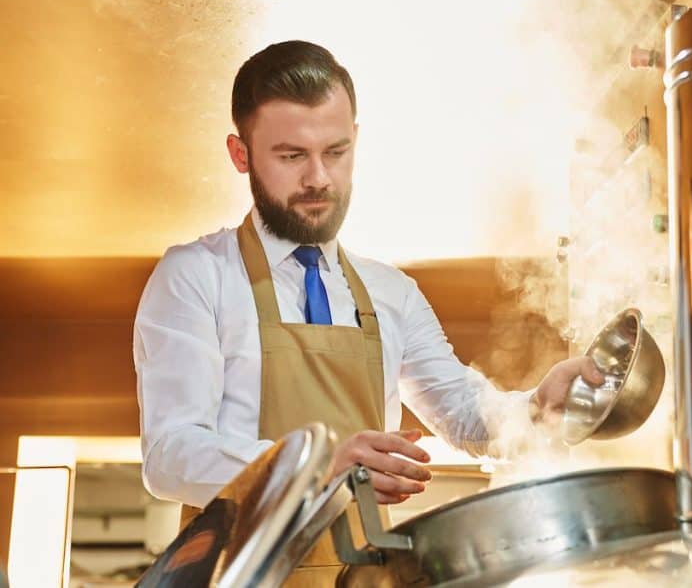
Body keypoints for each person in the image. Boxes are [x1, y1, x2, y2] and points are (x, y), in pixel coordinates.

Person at [133, 40, 601, 582]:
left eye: (336, 152)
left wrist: (535, 409)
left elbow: (462, 412)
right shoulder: (195, 276)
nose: (318, 179)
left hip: (357, 575)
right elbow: (169, 456)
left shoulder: (389, 290)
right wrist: (314, 469)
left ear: (356, 140)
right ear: (241, 155)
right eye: (291, 156)